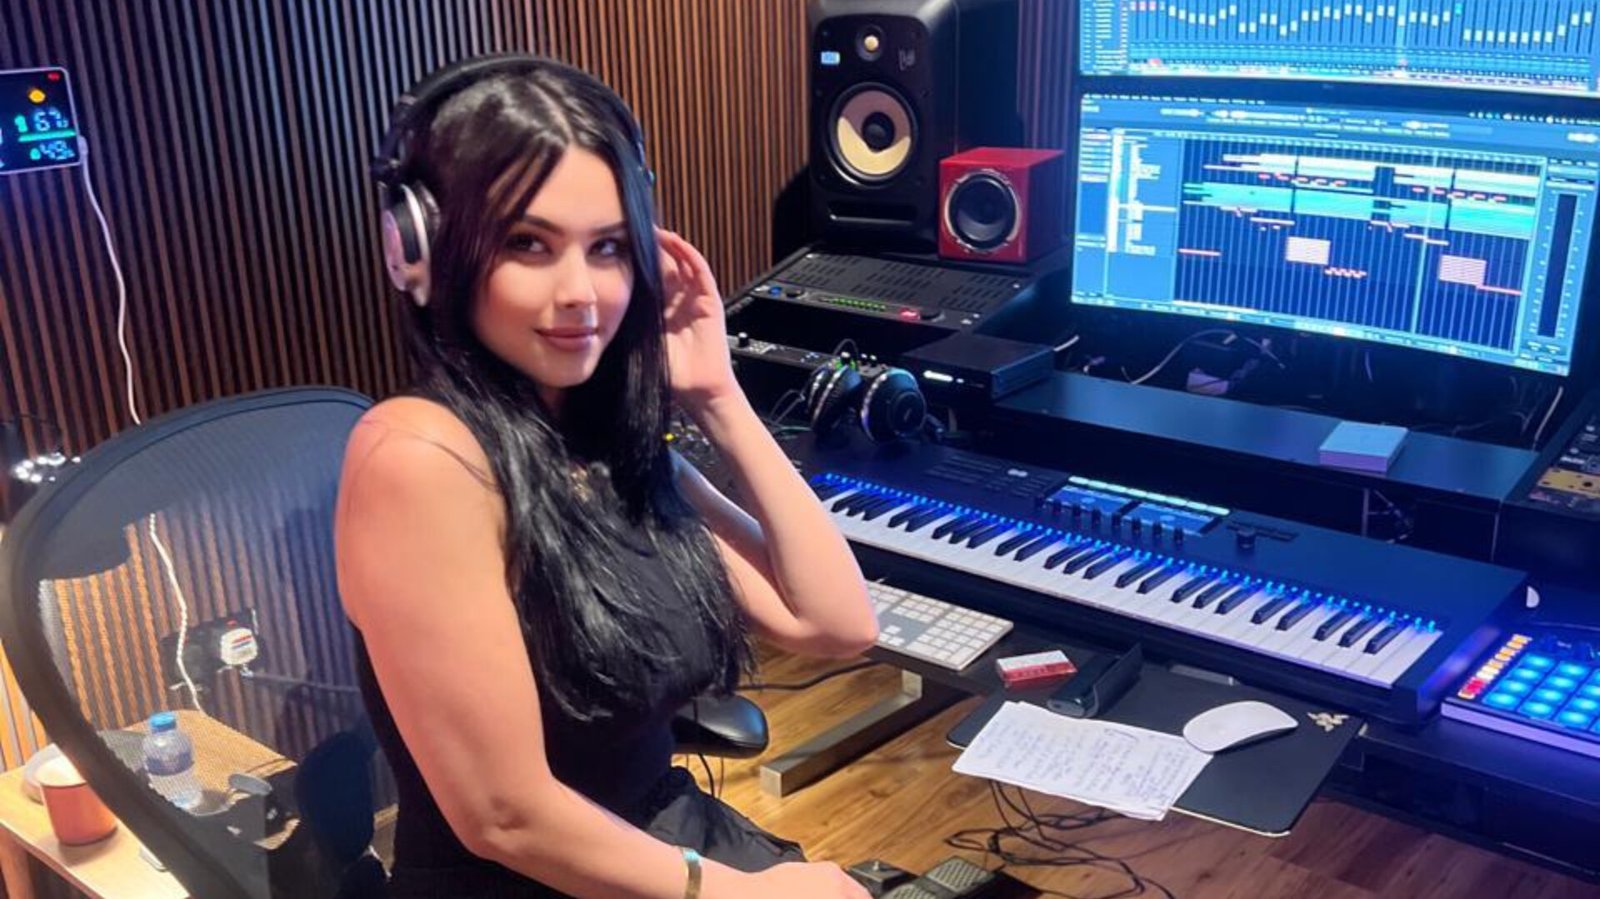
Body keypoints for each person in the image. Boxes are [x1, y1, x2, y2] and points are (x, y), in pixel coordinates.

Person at [334, 55, 878, 899]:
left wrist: (719, 396)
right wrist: (743, 895)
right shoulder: (419, 458)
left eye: (609, 248)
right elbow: (504, 816)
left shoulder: (602, 446)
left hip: (657, 846)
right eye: (528, 244)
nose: (581, 293)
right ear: (422, 251)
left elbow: (837, 622)